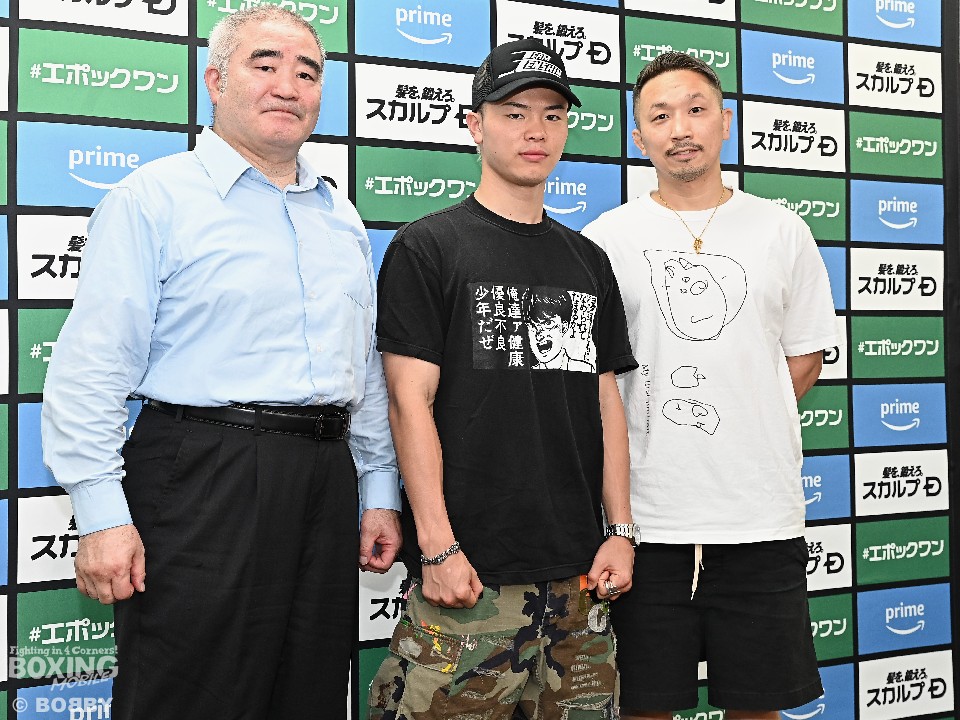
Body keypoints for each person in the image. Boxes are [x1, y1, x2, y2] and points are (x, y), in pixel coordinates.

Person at [40, 6, 400, 719]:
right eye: (264, 65)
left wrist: (380, 487)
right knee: (188, 697)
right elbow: (92, 368)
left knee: (308, 694)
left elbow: (360, 367)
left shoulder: (341, 216)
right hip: (200, 475)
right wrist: (101, 514)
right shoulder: (152, 199)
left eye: (307, 73)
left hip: (324, 482)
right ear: (215, 80)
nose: (287, 86)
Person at [367, 38, 640, 719]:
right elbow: (408, 402)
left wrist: (621, 529)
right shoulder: (429, 247)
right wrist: (438, 545)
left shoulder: (588, 260)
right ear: (475, 125)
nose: (535, 131)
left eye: (552, 114)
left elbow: (605, 401)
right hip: (470, 578)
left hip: (580, 581)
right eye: (514, 113)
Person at [582, 52, 837, 720]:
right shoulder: (604, 239)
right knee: (641, 707)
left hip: (760, 520)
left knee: (759, 707)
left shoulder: (782, 230)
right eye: (660, 116)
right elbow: (595, 381)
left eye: (696, 110)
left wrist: (738, 409)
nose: (680, 129)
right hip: (645, 526)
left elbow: (804, 359)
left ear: (725, 122)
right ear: (638, 136)